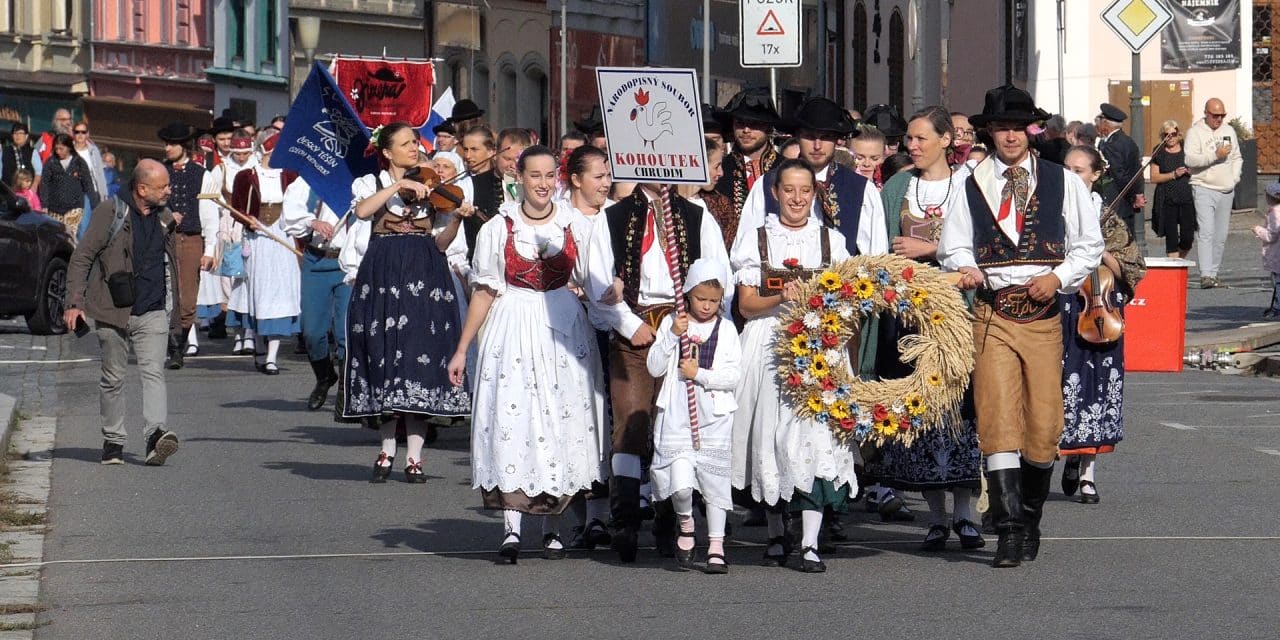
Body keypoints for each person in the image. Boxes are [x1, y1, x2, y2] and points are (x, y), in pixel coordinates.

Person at [938, 85, 1103, 568]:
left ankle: (1030, 516)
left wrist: (1057, 277)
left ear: (1030, 130)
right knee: (996, 417)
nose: (1009, 136)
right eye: (1001, 127)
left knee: (1045, 424)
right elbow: (954, 244)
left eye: (1017, 127)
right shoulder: (969, 181)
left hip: (1044, 315)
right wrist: (967, 268)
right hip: (991, 312)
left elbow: (1087, 244)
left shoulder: (1061, 180)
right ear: (989, 131)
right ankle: (1009, 529)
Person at [447, 145, 606, 563]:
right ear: (519, 177)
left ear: (558, 178)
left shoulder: (577, 224)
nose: (541, 183)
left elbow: (596, 282)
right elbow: (484, 291)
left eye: (548, 175)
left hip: (563, 328)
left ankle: (553, 526)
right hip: (512, 327)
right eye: (533, 175)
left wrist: (612, 292)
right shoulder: (498, 228)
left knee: (558, 419)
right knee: (514, 419)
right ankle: (512, 528)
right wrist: (463, 348)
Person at [585, 178, 730, 563]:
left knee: (675, 426)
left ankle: (670, 520)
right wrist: (630, 324)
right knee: (631, 422)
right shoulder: (612, 218)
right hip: (636, 326)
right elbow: (596, 277)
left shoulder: (698, 218)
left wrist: (704, 328)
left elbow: (721, 278)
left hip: (684, 330)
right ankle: (627, 520)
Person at [731, 158, 858, 573]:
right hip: (769, 345)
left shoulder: (832, 243)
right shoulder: (756, 240)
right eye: (789, 190)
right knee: (770, 435)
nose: (798, 198)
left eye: (805, 190)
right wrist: (782, 298)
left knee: (816, 438)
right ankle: (773, 532)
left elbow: (848, 303)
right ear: (775, 192)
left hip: (820, 349)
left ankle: (808, 542)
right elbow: (746, 307)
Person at [873, 106, 984, 551]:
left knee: (961, 410)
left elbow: (984, 242)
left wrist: (930, 247)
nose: (912, 147)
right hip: (910, 318)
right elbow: (879, 245)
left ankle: (966, 513)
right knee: (924, 411)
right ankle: (936, 517)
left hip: (958, 312)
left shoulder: (970, 185)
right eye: (909, 140)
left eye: (921, 139)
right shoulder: (899, 186)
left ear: (945, 141)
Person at [344, 122, 471, 482]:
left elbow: (441, 243)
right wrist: (399, 185)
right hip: (384, 274)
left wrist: (456, 221)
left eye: (415, 141)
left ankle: (414, 456)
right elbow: (364, 212)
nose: (414, 148)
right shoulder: (370, 184)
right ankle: (386, 451)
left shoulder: (434, 185)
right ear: (386, 152)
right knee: (383, 357)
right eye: (405, 143)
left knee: (419, 358)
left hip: (425, 272)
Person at [64, 159, 181, 466]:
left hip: (152, 309)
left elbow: (170, 267)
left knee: (153, 373)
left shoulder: (164, 217)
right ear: (142, 189)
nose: (169, 190)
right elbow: (82, 257)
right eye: (163, 186)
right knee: (113, 378)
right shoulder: (111, 211)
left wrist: (176, 311)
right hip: (112, 309)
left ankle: (156, 436)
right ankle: (113, 441)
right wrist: (74, 302)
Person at [1058, 144, 1145, 505]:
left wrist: (1100, 250)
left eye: (1079, 170)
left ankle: (1088, 472)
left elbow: (1134, 268)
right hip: (1062, 305)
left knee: (1098, 388)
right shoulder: (1051, 213)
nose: (1072, 175)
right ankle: (1066, 452)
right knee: (1060, 385)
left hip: (1100, 310)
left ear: (1095, 176)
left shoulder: (1106, 217)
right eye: (1067, 168)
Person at [645, 258, 740, 573]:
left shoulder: (726, 329)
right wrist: (672, 334)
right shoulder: (675, 323)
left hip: (713, 418)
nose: (707, 306)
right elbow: (654, 366)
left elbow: (733, 376)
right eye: (701, 299)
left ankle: (716, 544)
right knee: (681, 485)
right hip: (679, 416)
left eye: (714, 301)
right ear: (687, 294)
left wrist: (700, 374)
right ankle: (685, 523)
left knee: (714, 483)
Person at [229, 132, 300, 375]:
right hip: (257, 240)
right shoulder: (245, 177)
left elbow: (300, 206)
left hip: (282, 238)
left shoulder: (291, 176)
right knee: (258, 294)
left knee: (280, 295)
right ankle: (259, 346)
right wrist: (247, 219)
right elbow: (235, 208)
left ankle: (272, 356)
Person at [281, 177, 354, 412]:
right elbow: (289, 217)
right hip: (317, 260)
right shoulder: (306, 183)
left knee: (345, 332)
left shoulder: (359, 181)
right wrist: (312, 221)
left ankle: (345, 390)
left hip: (348, 263)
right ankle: (324, 376)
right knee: (312, 331)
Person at [158, 122, 211, 368]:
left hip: (191, 239)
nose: (167, 148)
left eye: (171, 144)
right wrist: (167, 216)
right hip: (164, 239)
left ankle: (179, 342)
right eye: (166, 144)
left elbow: (210, 215)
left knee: (188, 297)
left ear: (184, 146)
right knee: (167, 293)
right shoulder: (159, 172)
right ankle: (172, 345)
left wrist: (209, 251)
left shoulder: (201, 174)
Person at [201, 134, 258, 353]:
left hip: (251, 226)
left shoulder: (258, 168)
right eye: (238, 154)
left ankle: (251, 333)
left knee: (250, 279)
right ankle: (237, 334)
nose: (242, 157)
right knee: (230, 281)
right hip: (228, 227)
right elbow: (210, 200)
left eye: (245, 153)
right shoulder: (221, 169)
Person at [1185, 98, 1244, 289]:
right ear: (1206, 113)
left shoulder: (1229, 131)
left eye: (1222, 115)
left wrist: (1234, 177)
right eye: (1215, 115)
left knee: (1221, 234)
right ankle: (1205, 275)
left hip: (1226, 188)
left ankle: (1214, 272)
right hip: (1203, 186)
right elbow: (1190, 160)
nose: (1219, 119)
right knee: (1206, 231)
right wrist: (1214, 156)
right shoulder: (1195, 132)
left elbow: (1237, 157)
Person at [714, 87, 781, 218]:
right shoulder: (720, 170)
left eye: (754, 124)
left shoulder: (785, 168)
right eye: (740, 123)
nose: (746, 130)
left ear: (768, 127)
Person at [37, 133, 99, 239]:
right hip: (54, 208)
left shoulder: (79, 162)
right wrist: (44, 204)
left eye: (61, 148)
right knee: (56, 237)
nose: (58, 151)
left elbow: (88, 184)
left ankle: (71, 255)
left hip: (74, 208)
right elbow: (44, 184)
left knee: (69, 236)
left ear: (69, 147)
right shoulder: (51, 162)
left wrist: (95, 206)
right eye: (56, 149)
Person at [1095, 104, 1144, 235]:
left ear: (1105, 123)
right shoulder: (1127, 141)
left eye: (1099, 120)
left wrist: (1132, 196)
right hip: (1125, 204)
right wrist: (1137, 193)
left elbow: (1119, 175)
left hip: (1117, 203)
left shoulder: (1112, 145)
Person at [1150, 120, 1196, 259]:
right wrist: (1173, 174)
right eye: (1167, 135)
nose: (1170, 138)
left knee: (1188, 238)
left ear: (1179, 134)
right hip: (1167, 199)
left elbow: (1199, 167)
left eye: (1173, 134)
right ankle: (1174, 270)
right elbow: (1154, 177)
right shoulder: (1159, 151)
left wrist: (1190, 171)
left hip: (1186, 197)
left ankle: (1178, 262)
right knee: (1171, 239)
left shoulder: (1187, 148)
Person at [684, 138, 736, 250]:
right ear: (698, 165)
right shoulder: (671, 204)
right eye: (716, 166)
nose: (721, 173)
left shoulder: (720, 204)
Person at [1254, 183, 1280, 319]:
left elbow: (1271, 235)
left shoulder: (1274, 213)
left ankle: (1276, 307)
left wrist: (1258, 229)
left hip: (1276, 254)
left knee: (1277, 283)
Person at [72, 120, 109, 202]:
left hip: (92, 192)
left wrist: (104, 195)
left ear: (87, 134)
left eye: (83, 132)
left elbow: (100, 173)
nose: (80, 135)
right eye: (77, 132)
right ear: (73, 134)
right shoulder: (68, 150)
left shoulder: (93, 150)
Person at [2, 123, 35, 188]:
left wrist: (34, 187)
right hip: (9, 190)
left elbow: (38, 172)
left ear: (26, 135)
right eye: (15, 133)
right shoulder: (4, 151)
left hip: (27, 190)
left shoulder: (33, 151)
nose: (17, 135)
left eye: (20, 133)